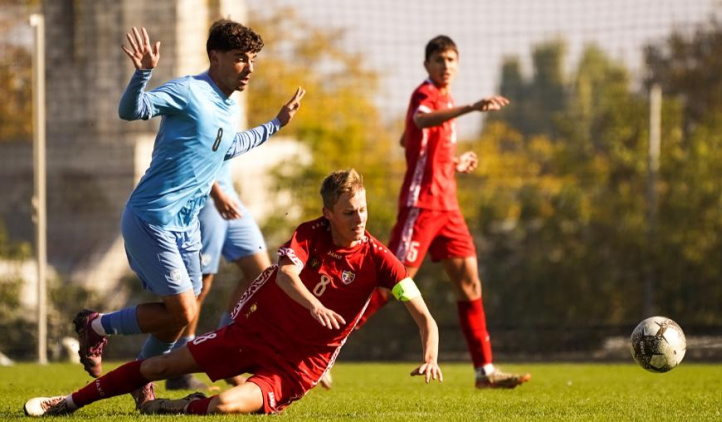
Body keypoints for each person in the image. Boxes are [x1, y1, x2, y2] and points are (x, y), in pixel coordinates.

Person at [23, 169, 442, 416]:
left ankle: (176, 408)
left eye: (363, 210)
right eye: (349, 212)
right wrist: (315, 305)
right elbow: (284, 276)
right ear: (328, 213)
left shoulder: (379, 258)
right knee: (154, 368)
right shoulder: (309, 234)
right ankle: (67, 404)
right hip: (252, 334)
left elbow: (424, 315)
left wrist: (429, 356)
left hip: (296, 367)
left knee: (224, 406)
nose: (359, 219)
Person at [71, 20, 305, 407]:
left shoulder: (227, 106)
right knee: (183, 309)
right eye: (240, 59)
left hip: (187, 229)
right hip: (152, 217)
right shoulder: (188, 90)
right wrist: (143, 73)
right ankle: (95, 326)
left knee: (179, 317)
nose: (249, 68)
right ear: (215, 57)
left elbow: (230, 146)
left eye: (253, 60)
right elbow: (132, 111)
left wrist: (276, 124)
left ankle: (141, 375)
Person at [359, 35, 530, 389]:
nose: (446, 65)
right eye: (439, 60)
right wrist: (471, 108)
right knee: (392, 284)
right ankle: (319, 347)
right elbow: (419, 125)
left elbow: (409, 141)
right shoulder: (426, 95)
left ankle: (485, 372)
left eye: (451, 59)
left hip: (448, 207)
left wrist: (452, 163)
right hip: (420, 206)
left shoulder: (445, 98)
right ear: (427, 66)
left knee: (470, 282)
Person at [166, 164, 272, 391]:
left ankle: (224, 354)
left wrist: (274, 126)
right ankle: (179, 372)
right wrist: (217, 193)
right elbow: (201, 151)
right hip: (206, 199)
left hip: (229, 196)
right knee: (199, 286)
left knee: (262, 277)